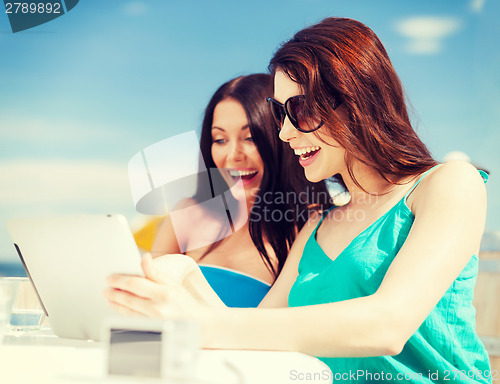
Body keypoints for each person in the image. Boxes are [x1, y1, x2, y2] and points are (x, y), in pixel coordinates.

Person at [105, 18, 491, 383]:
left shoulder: (449, 183)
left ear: (356, 100)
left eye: (299, 110)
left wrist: (201, 323)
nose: (286, 133)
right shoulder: (317, 228)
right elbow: (254, 336)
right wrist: (184, 275)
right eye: (280, 113)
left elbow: (388, 324)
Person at [146, 74, 332, 305]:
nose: (233, 155)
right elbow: (146, 300)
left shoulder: (313, 224)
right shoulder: (187, 214)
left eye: (250, 138)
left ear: (285, 137)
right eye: (220, 140)